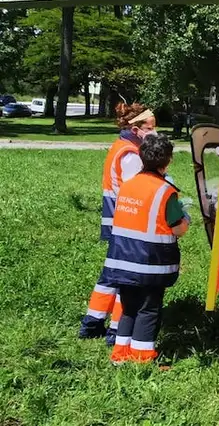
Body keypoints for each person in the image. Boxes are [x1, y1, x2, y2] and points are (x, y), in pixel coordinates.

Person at [103, 134, 190, 364]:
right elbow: (178, 228)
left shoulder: (128, 186)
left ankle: (120, 355)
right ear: (168, 161)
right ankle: (141, 358)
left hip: (122, 259)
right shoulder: (165, 191)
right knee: (149, 309)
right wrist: (186, 219)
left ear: (142, 158)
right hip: (151, 262)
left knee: (129, 308)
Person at [79, 102, 158, 345]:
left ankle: (93, 322)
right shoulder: (130, 155)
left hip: (118, 222)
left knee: (112, 274)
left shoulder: (122, 146)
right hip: (127, 224)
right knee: (127, 277)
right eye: (151, 127)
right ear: (136, 129)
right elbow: (137, 189)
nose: (155, 132)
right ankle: (115, 329)